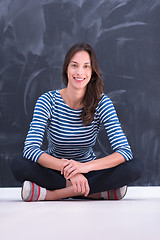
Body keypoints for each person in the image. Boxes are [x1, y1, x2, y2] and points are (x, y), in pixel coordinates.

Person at [10, 42, 143, 201]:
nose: (80, 72)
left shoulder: (102, 103)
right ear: (66, 69)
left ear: (92, 72)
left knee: (135, 166)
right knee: (18, 164)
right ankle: (97, 192)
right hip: (54, 169)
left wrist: (83, 167)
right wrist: (71, 171)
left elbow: (124, 151)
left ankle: (54, 194)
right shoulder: (47, 101)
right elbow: (30, 149)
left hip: (89, 170)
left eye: (86, 66)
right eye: (74, 65)